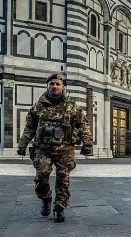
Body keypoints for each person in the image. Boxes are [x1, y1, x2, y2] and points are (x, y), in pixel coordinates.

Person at [16, 74, 93, 222]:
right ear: (47, 87)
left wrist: (87, 143)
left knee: (63, 179)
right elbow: (29, 128)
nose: (55, 87)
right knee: (41, 176)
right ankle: (46, 199)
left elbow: (84, 126)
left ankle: (59, 208)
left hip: (65, 150)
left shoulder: (72, 107)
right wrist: (22, 145)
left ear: (63, 87)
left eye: (58, 84)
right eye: (51, 84)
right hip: (42, 149)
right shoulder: (38, 107)